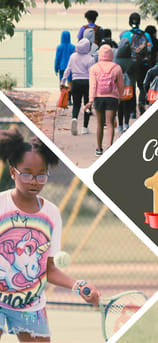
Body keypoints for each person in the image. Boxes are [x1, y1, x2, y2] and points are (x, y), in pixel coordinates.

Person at [0, 128, 100, 341]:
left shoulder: (51, 213)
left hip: (31, 305)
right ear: (12, 172)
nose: (34, 181)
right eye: (26, 173)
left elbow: (49, 269)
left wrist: (79, 286)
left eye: (42, 175)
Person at [84, 45, 124, 157]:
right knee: (110, 123)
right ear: (111, 54)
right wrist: (119, 96)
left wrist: (91, 100)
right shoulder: (117, 67)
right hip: (112, 98)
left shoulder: (94, 68)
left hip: (98, 98)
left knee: (99, 124)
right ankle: (110, 147)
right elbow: (121, 85)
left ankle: (98, 148)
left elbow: (92, 86)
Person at [120, 12, 153, 117]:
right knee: (142, 85)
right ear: (139, 22)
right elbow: (149, 48)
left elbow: (122, 49)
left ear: (130, 22)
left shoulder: (125, 35)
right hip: (143, 64)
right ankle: (141, 103)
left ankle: (132, 111)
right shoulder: (146, 35)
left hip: (130, 64)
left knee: (132, 86)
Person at [61, 38, 95, 136]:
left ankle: (74, 118)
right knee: (87, 105)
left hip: (75, 82)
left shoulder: (73, 57)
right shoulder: (90, 59)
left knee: (76, 104)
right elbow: (92, 73)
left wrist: (63, 81)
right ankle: (85, 127)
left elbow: (68, 70)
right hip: (87, 82)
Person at [114, 38, 136, 133]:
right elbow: (134, 73)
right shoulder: (132, 61)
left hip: (118, 87)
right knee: (127, 106)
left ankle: (119, 125)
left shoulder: (116, 60)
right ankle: (126, 124)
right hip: (128, 86)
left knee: (120, 107)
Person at [54, 31, 74, 105]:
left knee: (62, 82)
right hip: (71, 68)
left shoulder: (59, 47)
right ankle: (69, 99)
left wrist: (56, 68)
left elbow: (57, 58)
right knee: (70, 83)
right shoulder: (73, 47)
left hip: (62, 68)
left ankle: (63, 100)